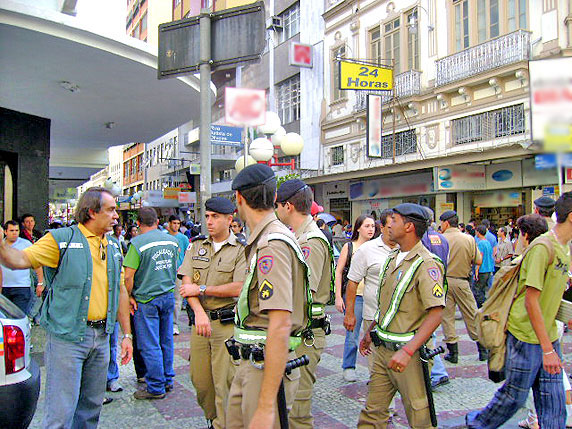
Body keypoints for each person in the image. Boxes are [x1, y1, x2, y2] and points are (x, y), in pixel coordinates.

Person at [0, 187, 133, 428]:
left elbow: (121, 290)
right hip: (67, 339)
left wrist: (126, 334)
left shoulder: (113, 245)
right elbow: (17, 260)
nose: (116, 216)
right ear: (92, 212)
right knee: (60, 412)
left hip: (102, 338)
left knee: (90, 410)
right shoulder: (60, 239)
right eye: (111, 210)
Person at [465, 193, 572, 429]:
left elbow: (549, 296)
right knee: (513, 396)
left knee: (554, 404)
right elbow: (530, 301)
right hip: (526, 336)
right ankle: (477, 425)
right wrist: (547, 350)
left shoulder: (564, 248)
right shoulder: (543, 247)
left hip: (547, 335)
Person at [225, 164, 310, 428]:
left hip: (264, 368)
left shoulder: (271, 244)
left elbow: (280, 323)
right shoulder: (265, 239)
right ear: (274, 197)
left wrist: (265, 406)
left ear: (238, 199)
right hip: (252, 361)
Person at [358, 203, 446, 428]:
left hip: (410, 357)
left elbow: (436, 313)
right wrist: (370, 332)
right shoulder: (393, 258)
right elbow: (387, 305)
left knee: (419, 416)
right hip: (382, 350)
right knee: (372, 413)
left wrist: (408, 351)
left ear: (408, 227)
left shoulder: (427, 264)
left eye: (394, 220)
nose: (388, 225)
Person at [178, 197, 246, 429]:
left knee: (224, 383)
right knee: (201, 381)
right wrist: (198, 312)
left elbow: (238, 287)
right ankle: (212, 418)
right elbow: (186, 283)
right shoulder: (196, 246)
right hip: (201, 323)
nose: (209, 221)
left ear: (229, 219)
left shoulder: (240, 250)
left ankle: (221, 424)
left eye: (215, 217)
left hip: (225, 325)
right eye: (207, 216)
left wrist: (203, 289)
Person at [275, 179, 334, 429]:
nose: (275, 210)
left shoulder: (310, 242)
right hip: (299, 332)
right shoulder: (298, 237)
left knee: (298, 411)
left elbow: (302, 292)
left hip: (306, 333)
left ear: (288, 206)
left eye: (277, 205)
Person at [124, 207, 178, 400]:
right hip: (168, 295)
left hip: (146, 299)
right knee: (166, 340)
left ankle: (155, 386)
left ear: (138, 224)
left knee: (150, 344)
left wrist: (129, 296)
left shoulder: (137, 243)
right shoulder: (172, 241)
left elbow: (128, 275)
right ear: (157, 221)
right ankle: (167, 378)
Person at [343, 209, 395, 376]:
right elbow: (351, 281)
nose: (394, 229)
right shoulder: (365, 250)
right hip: (371, 312)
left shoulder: (406, 248)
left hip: (399, 318)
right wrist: (348, 311)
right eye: (390, 225)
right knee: (355, 337)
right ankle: (349, 367)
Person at [439, 210, 485, 363]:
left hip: (444, 282)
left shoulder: (440, 239)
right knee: (472, 313)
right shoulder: (468, 239)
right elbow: (478, 260)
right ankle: (482, 349)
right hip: (462, 281)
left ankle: (453, 353)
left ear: (446, 223)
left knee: (447, 317)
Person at [334, 215, 375, 382]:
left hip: (373, 296)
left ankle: (376, 369)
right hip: (356, 296)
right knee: (352, 332)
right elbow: (338, 271)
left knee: (374, 333)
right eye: (366, 226)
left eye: (372, 226)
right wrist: (338, 296)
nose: (370, 229)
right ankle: (349, 366)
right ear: (358, 228)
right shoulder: (349, 247)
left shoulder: (377, 247)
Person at [420, 208, 450, 388]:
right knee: (432, 331)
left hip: (427, 289)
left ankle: (437, 372)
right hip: (440, 285)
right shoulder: (442, 238)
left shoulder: (422, 239)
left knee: (428, 332)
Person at [0, 220, 44, 313]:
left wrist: (40, 283)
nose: (14, 233)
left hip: (22, 286)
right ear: (5, 232)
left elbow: (36, 263)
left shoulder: (26, 244)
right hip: (4, 287)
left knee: (19, 314)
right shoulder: (1, 245)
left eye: (17, 230)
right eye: (12, 231)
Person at [166, 215, 190, 336]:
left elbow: (187, 255)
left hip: (178, 272)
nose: (176, 226)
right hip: (165, 272)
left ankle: (174, 324)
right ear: (169, 223)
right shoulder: (164, 237)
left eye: (178, 223)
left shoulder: (183, 238)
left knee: (177, 299)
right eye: (174, 223)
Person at [474, 225, 494, 308]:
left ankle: (483, 306)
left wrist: (476, 270)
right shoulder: (487, 242)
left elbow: (480, 257)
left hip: (482, 269)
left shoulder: (480, 243)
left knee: (477, 290)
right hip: (489, 268)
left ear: (478, 232)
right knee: (483, 289)